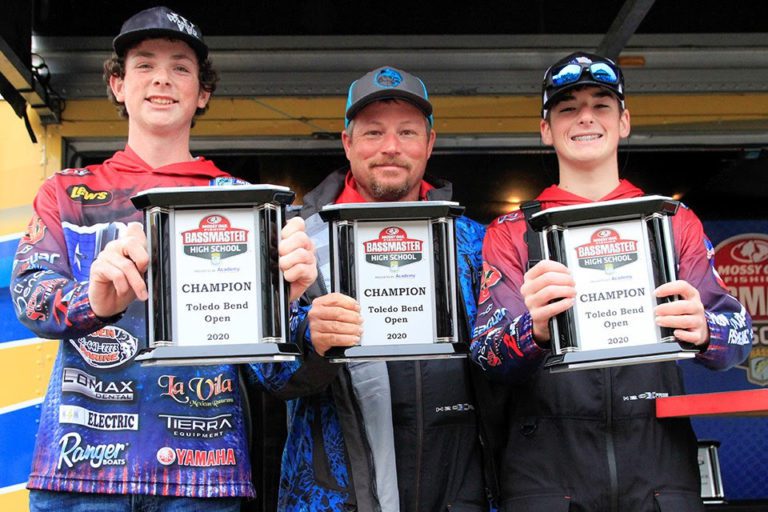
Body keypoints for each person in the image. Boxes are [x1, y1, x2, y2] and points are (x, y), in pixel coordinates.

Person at [10, 6, 316, 511]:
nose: (162, 79)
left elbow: (274, 373)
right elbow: (30, 298)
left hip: (203, 479)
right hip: (80, 475)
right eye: (144, 64)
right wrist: (94, 298)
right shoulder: (66, 192)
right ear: (117, 84)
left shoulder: (245, 201)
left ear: (203, 92)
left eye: (180, 67)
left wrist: (291, 313)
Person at [470, 51, 753, 512]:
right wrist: (534, 330)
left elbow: (738, 335)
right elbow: (485, 355)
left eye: (601, 104)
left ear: (623, 121)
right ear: (546, 129)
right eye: (567, 107)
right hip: (545, 470)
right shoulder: (510, 232)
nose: (585, 117)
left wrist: (706, 331)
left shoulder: (671, 219)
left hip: (659, 465)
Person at [272, 66, 498, 511]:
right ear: (348, 143)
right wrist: (311, 340)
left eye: (407, 132)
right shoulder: (295, 237)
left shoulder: (475, 241)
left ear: (429, 144)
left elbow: (504, 363)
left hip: (461, 492)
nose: (391, 147)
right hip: (336, 499)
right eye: (373, 132)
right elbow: (267, 376)